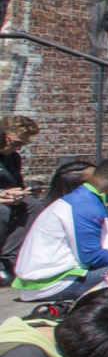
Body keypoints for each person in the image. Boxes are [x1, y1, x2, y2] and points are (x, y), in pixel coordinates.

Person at [10, 158, 108, 298]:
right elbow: (91, 255)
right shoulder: (84, 205)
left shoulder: (85, 199)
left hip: (52, 278)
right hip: (51, 284)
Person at [0, 115, 38, 273]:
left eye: (23, 144)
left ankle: (10, 256)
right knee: (2, 211)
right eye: (16, 143)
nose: (19, 148)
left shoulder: (13, 158)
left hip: (6, 199)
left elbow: (17, 184)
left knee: (35, 205)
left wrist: (21, 192)